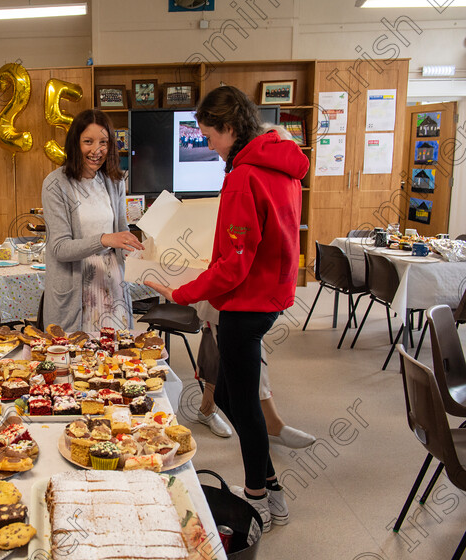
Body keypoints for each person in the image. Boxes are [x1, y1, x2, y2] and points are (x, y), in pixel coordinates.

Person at [146, 86, 309, 532]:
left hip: (245, 303)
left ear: (230, 129)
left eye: (210, 136)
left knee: (243, 403)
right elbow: (261, 244)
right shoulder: (283, 165)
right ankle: (269, 485)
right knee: (236, 397)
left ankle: (261, 494)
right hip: (271, 297)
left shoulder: (243, 175)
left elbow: (234, 265)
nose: (209, 146)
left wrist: (180, 292)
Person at [41, 109, 144, 332]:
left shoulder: (114, 181)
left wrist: (137, 250)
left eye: (103, 142)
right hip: (77, 288)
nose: (96, 150)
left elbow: (121, 230)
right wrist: (105, 240)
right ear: (74, 143)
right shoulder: (55, 184)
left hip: (111, 281)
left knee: (114, 356)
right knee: (78, 358)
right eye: (88, 141)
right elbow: (60, 248)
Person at [193, 302, 316, 448]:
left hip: (242, 305)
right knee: (234, 359)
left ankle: (207, 410)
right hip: (222, 304)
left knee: (230, 358)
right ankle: (271, 424)